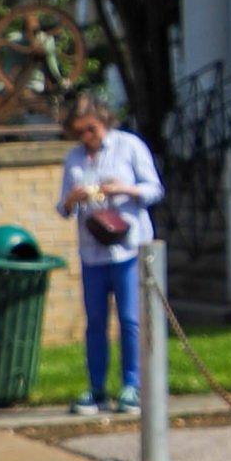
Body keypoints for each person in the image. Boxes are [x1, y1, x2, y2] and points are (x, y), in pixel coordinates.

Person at [56, 95, 165, 419]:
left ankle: (132, 385)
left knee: (130, 320)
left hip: (128, 247)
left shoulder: (129, 146)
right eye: (79, 133)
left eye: (91, 129)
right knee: (95, 323)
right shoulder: (74, 158)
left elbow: (154, 189)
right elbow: (62, 208)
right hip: (93, 250)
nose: (87, 138)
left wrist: (125, 190)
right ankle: (96, 388)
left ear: (104, 121)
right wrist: (71, 199)